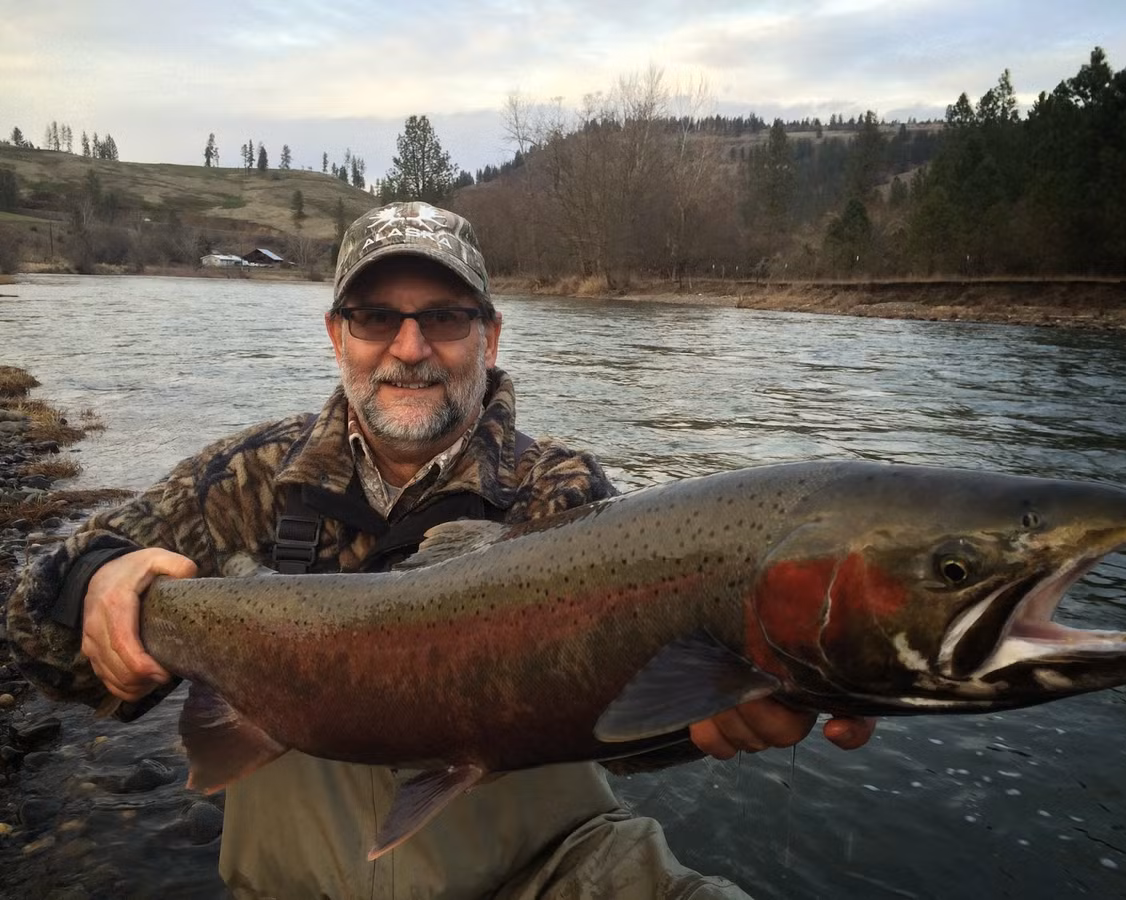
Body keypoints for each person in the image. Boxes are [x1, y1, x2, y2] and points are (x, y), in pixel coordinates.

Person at [6, 201, 875, 899]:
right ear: (337, 335)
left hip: (532, 874)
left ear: (488, 337)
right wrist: (98, 588)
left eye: (445, 318)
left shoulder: (562, 493)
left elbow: (608, 732)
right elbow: (34, 636)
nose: (410, 348)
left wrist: (706, 721)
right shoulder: (249, 477)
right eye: (376, 317)